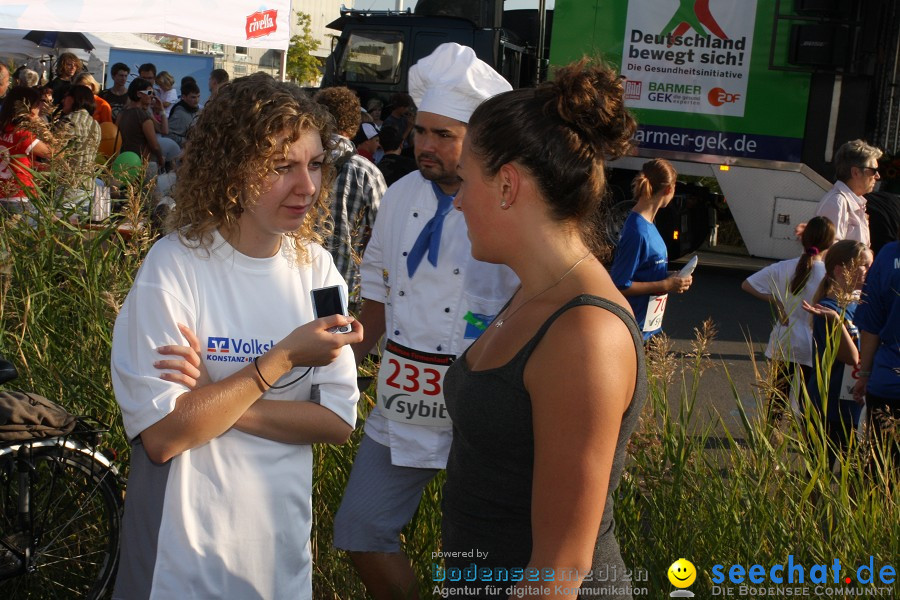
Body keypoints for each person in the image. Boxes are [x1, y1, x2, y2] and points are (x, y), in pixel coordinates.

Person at [109, 72, 363, 599]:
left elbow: (337, 420)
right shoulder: (176, 266)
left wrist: (213, 400)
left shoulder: (316, 271)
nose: (308, 187)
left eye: (315, 164)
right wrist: (282, 358)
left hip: (277, 562)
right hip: (179, 565)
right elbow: (162, 437)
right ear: (231, 167)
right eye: (282, 167)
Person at [441, 58, 644, 599]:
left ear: (507, 185)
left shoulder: (585, 334)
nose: (456, 201)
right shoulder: (532, 290)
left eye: (464, 181)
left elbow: (559, 571)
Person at [332, 43, 519, 600]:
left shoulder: (507, 204)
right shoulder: (398, 196)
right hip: (404, 400)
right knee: (360, 529)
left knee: (472, 561)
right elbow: (379, 303)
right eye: (421, 131)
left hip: (479, 407)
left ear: (477, 141)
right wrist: (335, 367)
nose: (426, 146)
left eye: (444, 135)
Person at [742, 216, 836, 419]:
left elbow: (747, 284)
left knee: (777, 398)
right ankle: (804, 442)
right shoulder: (829, 274)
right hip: (812, 344)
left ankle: (770, 440)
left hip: (783, 340)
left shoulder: (783, 267)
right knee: (808, 401)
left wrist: (776, 300)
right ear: (831, 243)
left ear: (803, 239)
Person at [802, 240, 872, 471]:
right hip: (827, 404)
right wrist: (837, 321)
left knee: (854, 472)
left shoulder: (860, 305)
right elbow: (852, 357)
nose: (870, 271)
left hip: (854, 405)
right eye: (865, 265)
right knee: (819, 471)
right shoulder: (826, 308)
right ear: (841, 270)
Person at [313, 86, 386, 297]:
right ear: (354, 124)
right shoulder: (368, 173)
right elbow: (385, 236)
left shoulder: (301, 162)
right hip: (347, 285)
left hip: (300, 280)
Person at [610, 158, 692, 341]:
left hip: (647, 330)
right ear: (669, 190)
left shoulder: (649, 224)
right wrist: (665, 285)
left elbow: (645, 270)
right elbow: (619, 285)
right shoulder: (636, 232)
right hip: (633, 332)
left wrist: (672, 277)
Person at [853, 225, 900, 473]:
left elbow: (870, 327)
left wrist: (864, 374)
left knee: (880, 473)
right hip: (888, 383)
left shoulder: (888, 255)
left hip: (888, 382)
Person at [815, 139, 882, 245]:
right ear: (855, 172)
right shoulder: (836, 202)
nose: (877, 176)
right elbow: (829, 253)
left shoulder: (851, 202)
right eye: (873, 171)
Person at [0, 86, 52, 214]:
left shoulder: (4, 129)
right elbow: (54, 153)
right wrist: (41, 126)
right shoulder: (22, 134)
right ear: (26, 108)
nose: (39, 108)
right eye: (36, 105)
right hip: (20, 196)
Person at [56, 84, 101, 198]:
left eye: (66, 97)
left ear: (74, 98)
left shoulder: (68, 121)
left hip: (67, 186)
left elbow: (53, 152)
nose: (63, 101)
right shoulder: (96, 125)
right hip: (88, 186)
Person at [116, 78, 165, 168]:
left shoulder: (121, 113)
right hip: (138, 164)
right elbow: (155, 146)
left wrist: (161, 110)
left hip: (121, 162)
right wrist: (161, 159)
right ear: (139, 94)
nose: (152, 96)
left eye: (153, 93)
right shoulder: (143, 117)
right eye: (149, 93)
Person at [165, 80, 200, 148]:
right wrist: (185, 141)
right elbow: (168, 134)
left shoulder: (197, 110)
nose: (197, 100)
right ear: (184, 97)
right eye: (193, 97)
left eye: (198, 96)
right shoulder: (179, 113)